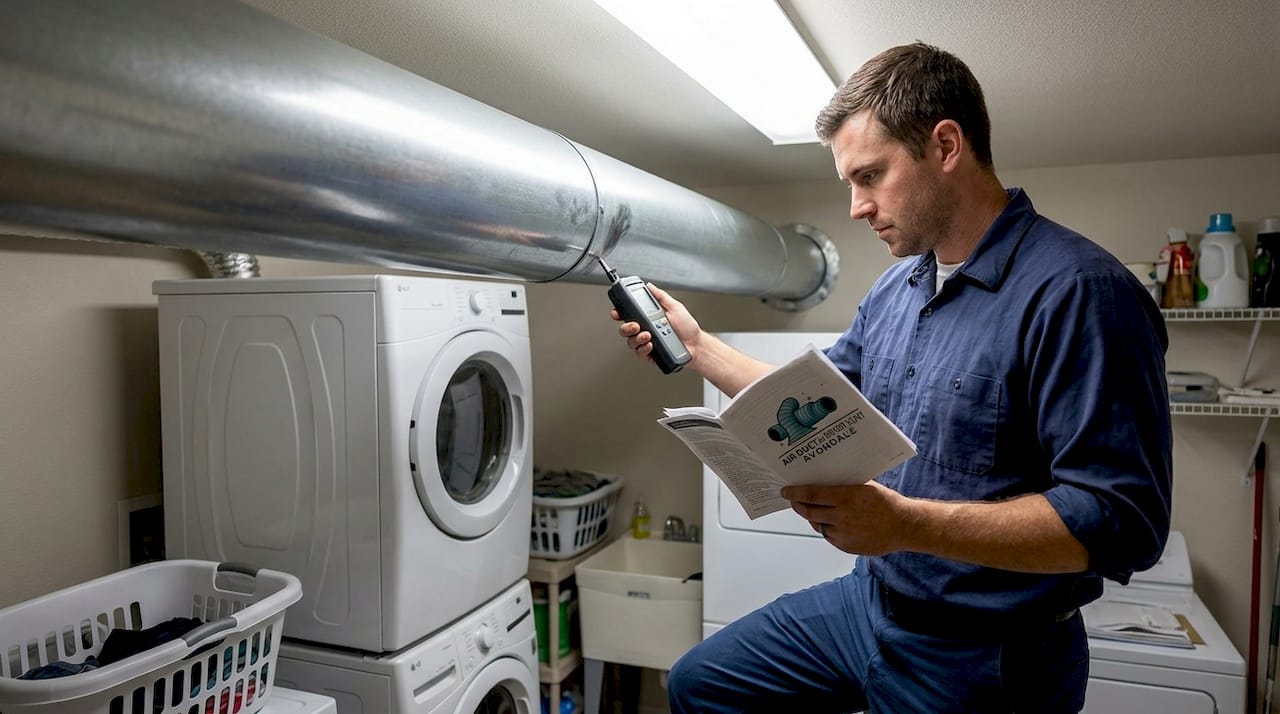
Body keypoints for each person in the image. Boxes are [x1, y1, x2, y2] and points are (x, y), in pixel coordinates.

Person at [611, 42, 1171, 713]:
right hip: (872, 605)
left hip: (990, 652)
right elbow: (813, 402)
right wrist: (699, 347)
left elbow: (1121, 522)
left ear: (945, 145)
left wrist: (906, 525)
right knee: (703, 686)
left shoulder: (1081, 292)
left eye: (870, 176)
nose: (855, 206)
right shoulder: (896, 289)